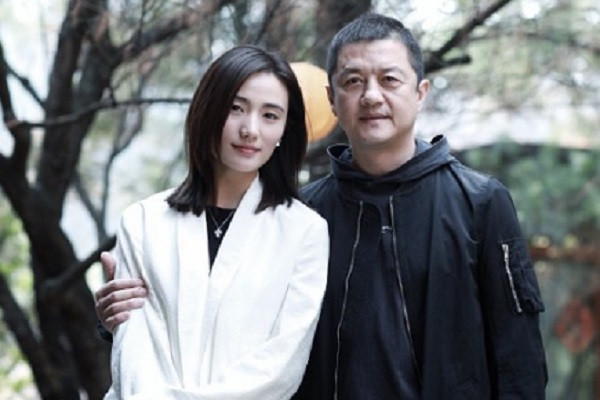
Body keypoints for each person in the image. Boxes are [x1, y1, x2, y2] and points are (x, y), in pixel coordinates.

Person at [96, 13, 548, 399]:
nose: (372, 96)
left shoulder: (479, 202)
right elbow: (229, 318)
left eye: (390, 79)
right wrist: (117, 319)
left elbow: (519, 362)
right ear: (331, 99)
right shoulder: (304, 214)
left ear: (421, 92)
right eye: (353, 81)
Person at [99, 44, 329, 400]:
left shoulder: (305, 232)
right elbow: (134, 356)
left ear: (285, 129)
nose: (250, 129)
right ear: (209, 110)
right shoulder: (142, 221)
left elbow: (280, 366)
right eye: (236, 108)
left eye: (270, 115)